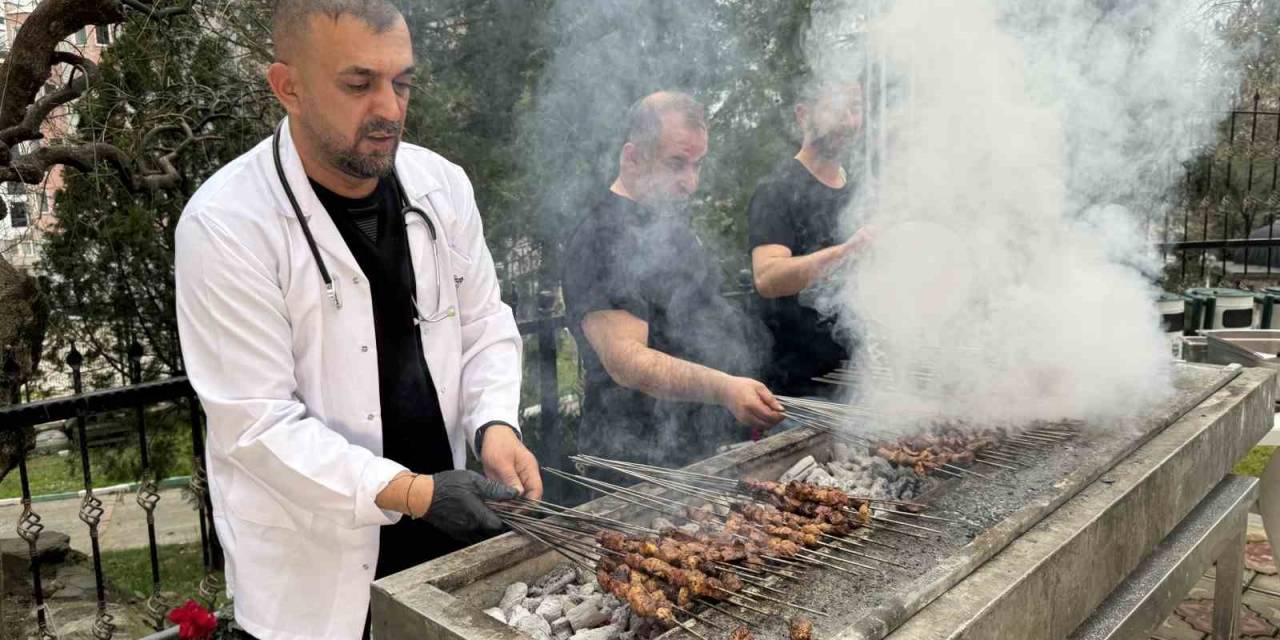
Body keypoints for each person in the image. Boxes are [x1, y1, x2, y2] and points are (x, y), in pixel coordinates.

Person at [173, 2, 541, 638]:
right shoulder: (226, 226)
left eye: (402, 82)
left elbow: (484, 324)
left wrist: (495, 425)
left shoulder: (441, 186)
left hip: (450, 534)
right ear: (287, 86)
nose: (390, 109)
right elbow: (257, 423)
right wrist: (414, 493)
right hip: (315, 574)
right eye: (359, 83)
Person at [561, 91, 784, 470]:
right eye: (676, 164)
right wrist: (724, 388)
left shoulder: (669, 226)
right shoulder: (601, 236)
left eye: (697, 165)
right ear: (632, 157)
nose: (691, 182)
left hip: (700, 451)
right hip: (636, 464)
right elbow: (627, 361)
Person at [748, 80, 869, 398]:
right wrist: (845, 253)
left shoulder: (860, 191)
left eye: (854, 109)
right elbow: (768, 277)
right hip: (797, 392)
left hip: (859, 383)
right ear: (803, 115)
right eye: (835, 108)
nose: (848, 120)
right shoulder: (777, 189)